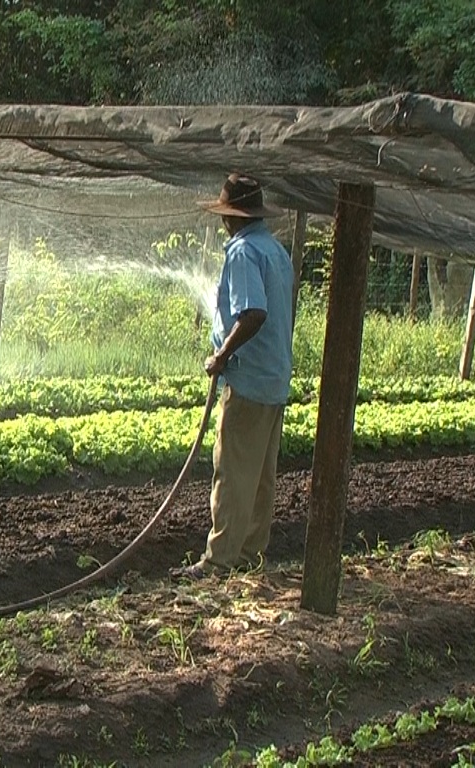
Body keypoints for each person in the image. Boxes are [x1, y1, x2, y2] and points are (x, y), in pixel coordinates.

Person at [171, 173, 295, 580]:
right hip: (274, 379)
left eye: (225, 215)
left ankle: (219, 560)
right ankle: (249, 556)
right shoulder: (276, 250)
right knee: (259, 475)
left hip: (247, 380)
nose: (223, 222)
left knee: (233, 472)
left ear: (233, 217)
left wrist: (222, 355)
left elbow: (253, 313)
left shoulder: (243, 252)